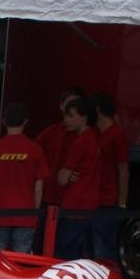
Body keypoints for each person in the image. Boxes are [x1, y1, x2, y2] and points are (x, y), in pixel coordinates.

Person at [0, 102, 49, 253]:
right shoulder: (35, 150)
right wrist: (34, 214)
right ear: (25, 122)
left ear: (4, 121)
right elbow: (39, 186)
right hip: (25, 216)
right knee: (21, 261)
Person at [55, 97, 102, 259]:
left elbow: (62, 178)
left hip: (74, 205)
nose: (66, 120)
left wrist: (65, 175)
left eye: (71, 116)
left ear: (84, 117)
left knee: (61, 254)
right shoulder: (95, 139)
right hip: (89, 205)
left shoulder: (81, 141)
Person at [91, 92, 129, 264]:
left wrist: (121, 204)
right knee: (95, 249)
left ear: (97, 109)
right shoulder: (97, 133)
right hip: (94, 200)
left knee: (104, 251)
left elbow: (123, 169)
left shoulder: (116, 134)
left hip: (108, 201)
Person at [36, 87, 84, 207]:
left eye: (77, 104)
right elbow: (32, 157)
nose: (73, 107)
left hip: (75, 199)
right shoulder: (50, 132)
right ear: (61, 106)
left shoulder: (88, 137)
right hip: (49, 196)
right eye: (70, 103)